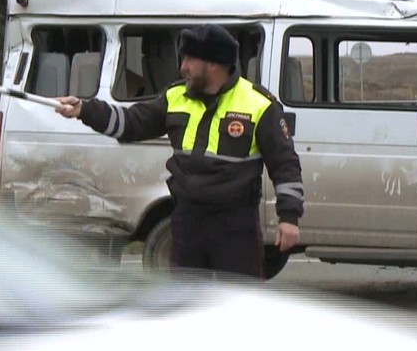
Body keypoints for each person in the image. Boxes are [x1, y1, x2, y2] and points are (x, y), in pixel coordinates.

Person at [55, 24, 303, 279]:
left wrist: (289, 218)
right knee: (185, 304)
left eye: (189, 59)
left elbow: (285, 165)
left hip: (235, 226)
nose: (183, 66)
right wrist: (83, 110)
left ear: (214, 64)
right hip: (187, 222)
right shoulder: (175, 96)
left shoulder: (259, 104)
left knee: (236, 305)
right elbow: (129, 123)